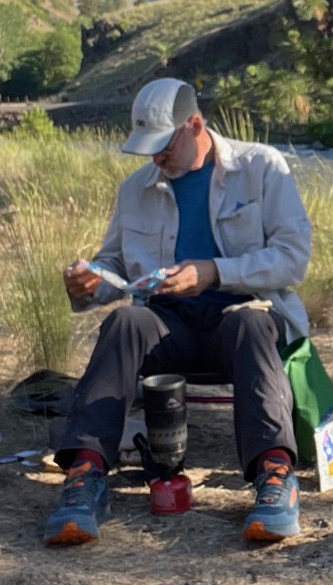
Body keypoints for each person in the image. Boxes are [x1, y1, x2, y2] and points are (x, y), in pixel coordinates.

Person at [47, 78, 313, 547]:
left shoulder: (261, 167)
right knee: (125, 321)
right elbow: (114, 262)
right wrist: (90, 282)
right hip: (170, 327)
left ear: (195, 125)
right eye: (147, 149)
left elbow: (294, 257)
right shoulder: (136, 189)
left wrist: (214, 272)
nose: (157, 159)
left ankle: (275, 476)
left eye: (164, 145)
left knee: (251, 323)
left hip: (243, 318)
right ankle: (85, 475)